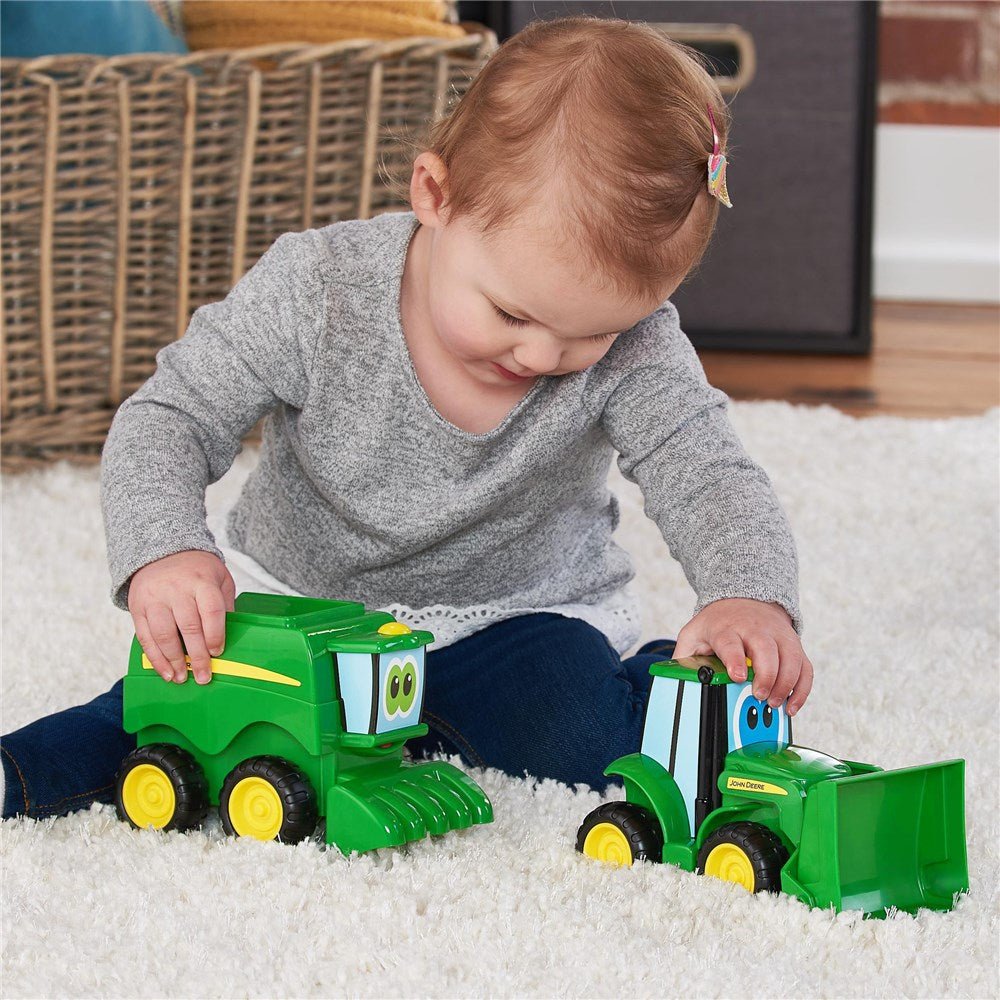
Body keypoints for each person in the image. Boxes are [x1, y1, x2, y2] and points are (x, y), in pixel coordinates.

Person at [1, 16, 812, 821]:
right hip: (303, 606)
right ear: (436, 194)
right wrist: (166, 549)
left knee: (583, 738)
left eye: (587, 333)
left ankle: (670, 690)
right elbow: (169, 417)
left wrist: (750, 598)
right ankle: (18, 773)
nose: (540, 356)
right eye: (510, 313)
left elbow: (709, 474)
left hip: (513, 620)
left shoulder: (634, 346)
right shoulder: (318, 289)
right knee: (171, 716)